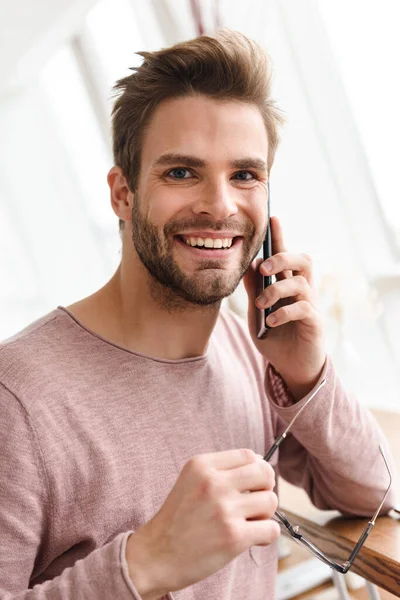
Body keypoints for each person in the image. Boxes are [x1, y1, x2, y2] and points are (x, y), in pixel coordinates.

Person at [0, 29, 396, 600]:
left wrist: (307, 374)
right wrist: (145, 563)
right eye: (181, 172)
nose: (220, 205)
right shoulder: (19, 398)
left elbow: (372, 494)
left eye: (245, 175)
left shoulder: (250, 351)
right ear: (122, 194)